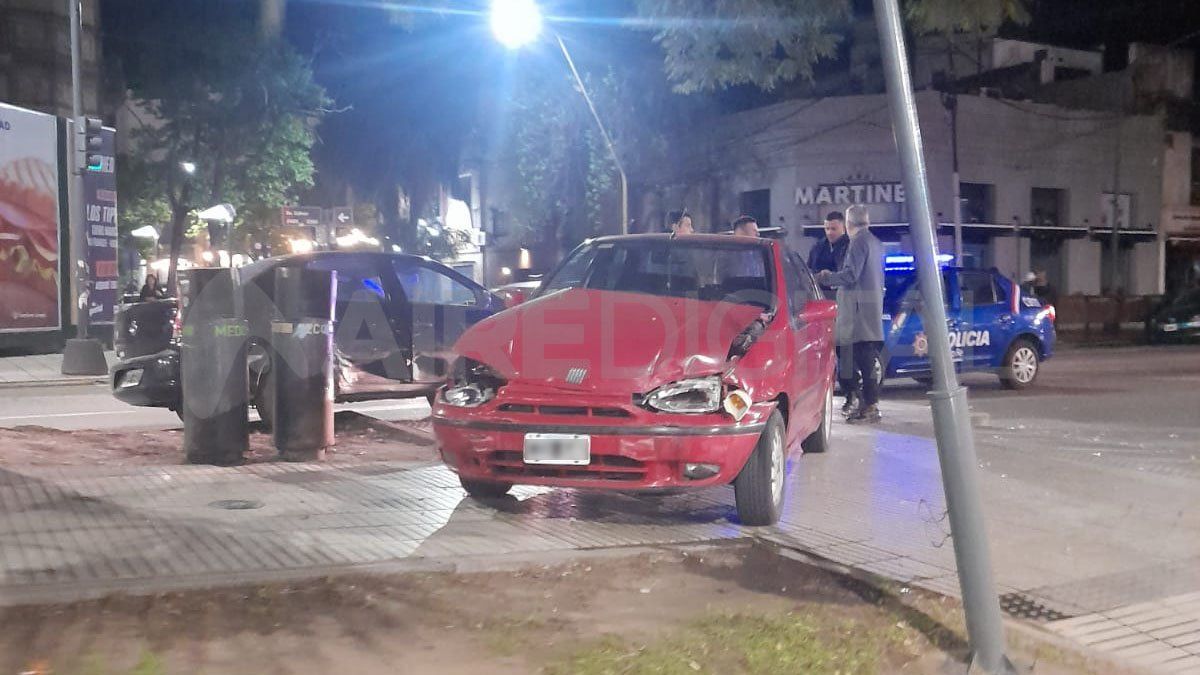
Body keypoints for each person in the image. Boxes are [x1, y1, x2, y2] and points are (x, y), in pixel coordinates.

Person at [816, 204, 884, 424]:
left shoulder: (858, 242)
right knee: (866, 360)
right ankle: (868, 403)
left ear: (848, 223)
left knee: (852, 357)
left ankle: (867, 405)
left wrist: (827, 277)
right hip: (870, 309)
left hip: (856, 314)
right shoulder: (875, 242)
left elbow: (851, 275)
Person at [807, 211, 849, 300]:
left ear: (844, 229)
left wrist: (831, 276)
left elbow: (850, 274)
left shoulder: (851, 247)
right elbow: (809, 270)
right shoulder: (817, 247)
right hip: (819, 296)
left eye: (833, 229)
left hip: (844, 296)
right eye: (827, 229)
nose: (829, 232)